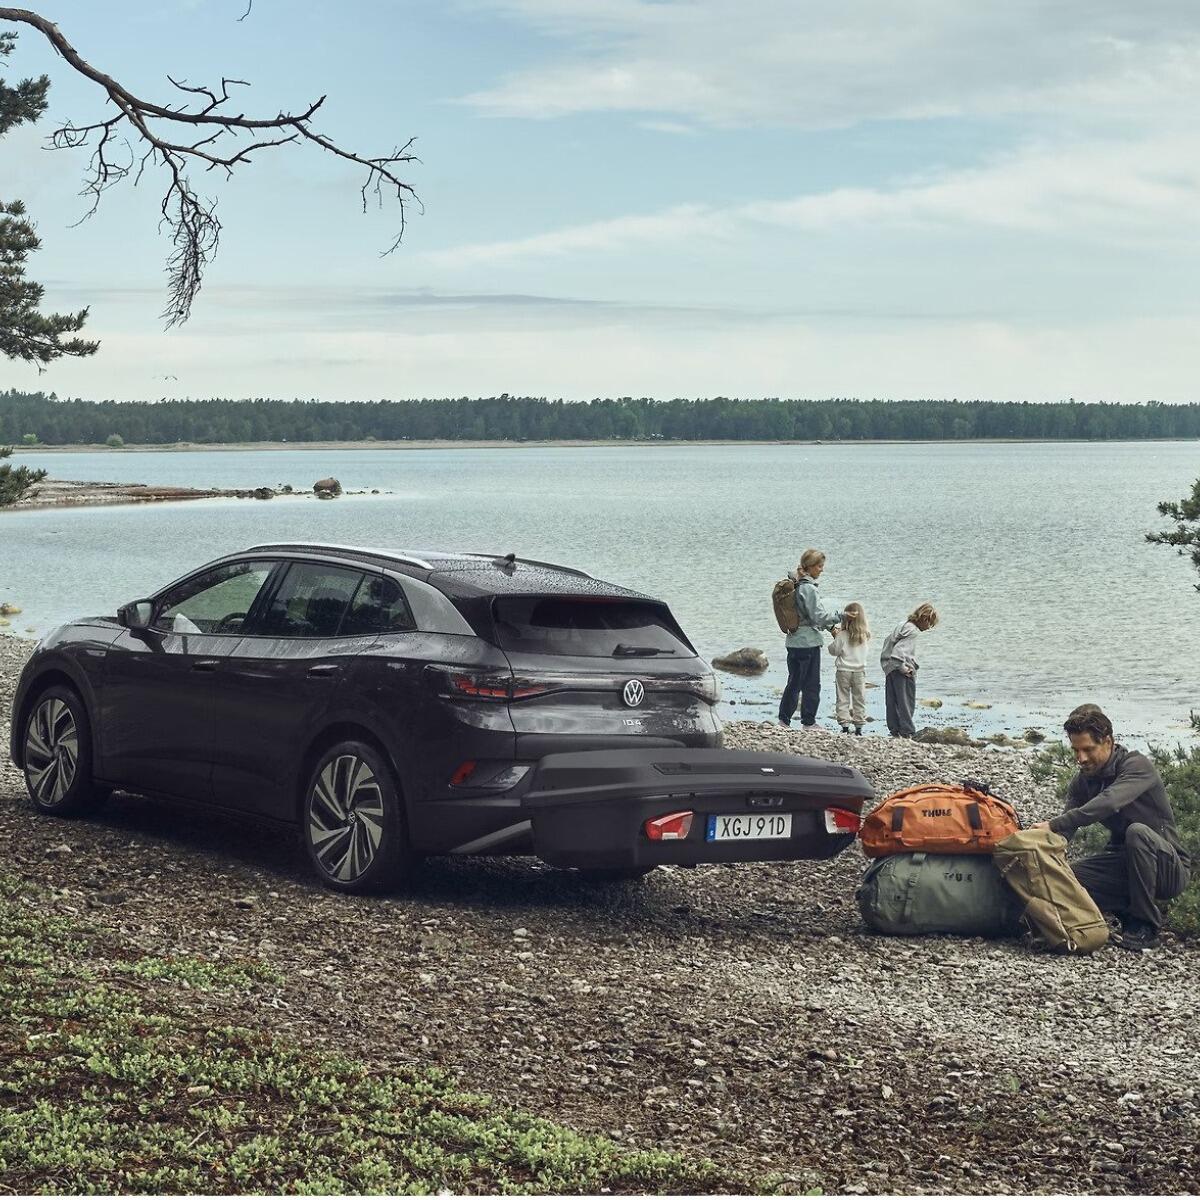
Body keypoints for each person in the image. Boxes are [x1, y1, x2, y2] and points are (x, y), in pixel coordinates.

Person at [1033, 704, 1191, 952]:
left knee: (1137, 833)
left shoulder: (1136, 766)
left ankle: (1146, 927)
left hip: (1168, 869)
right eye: (1075, 750)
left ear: (1108, 741)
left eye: (1088, 749)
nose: (1081, 758)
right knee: (1068, 877)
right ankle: (1124, 913)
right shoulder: (1082, 782)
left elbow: (1108, 802)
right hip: (1125, 864)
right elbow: (1064, 834)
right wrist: (1032, 847)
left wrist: (1053, 824)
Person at [778, 549, 844, 728]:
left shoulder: (796, 584)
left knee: (793, 682)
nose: (822, 570)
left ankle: (783, 720)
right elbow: (818, 617)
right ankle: (808, 722)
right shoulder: (809, 589)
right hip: (808, 644)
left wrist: (830, 628)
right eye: (820, 566)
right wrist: (841, 616)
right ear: (811, 567)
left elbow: (808, 616)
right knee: (812, 685)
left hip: (793, 642)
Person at [879, 603, 939, 738]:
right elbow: (898, 652)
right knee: (906, 701)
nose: (929, 628)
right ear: (924, 619)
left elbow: (887, 642)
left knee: (892, 701)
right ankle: (907, 730)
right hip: (901, 669)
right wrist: (903, 668)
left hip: (889, 667)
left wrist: (888, 665)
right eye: (930, 624)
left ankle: (894, 729)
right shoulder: (913, 631)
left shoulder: (902, 625)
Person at [827, 601, 869, 735]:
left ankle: (845, 725)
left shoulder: (842, 635)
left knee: (842, 698)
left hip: (843, 671)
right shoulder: (865, 635)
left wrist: (834, 638)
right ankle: (859, 726)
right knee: (859, 699)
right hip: (859, 672)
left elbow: (834, 651)